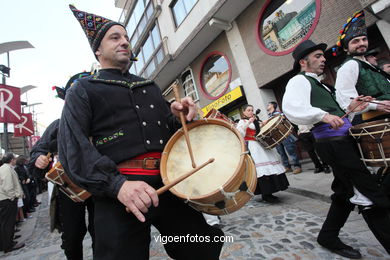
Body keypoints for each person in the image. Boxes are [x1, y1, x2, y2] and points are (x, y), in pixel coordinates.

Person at [58, 5, 223, 260]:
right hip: (120, 195)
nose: (124, 42)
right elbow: (74, 149)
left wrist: (181, 118)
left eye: (126, 37)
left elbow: (169, 132)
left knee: (199, 249)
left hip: (170, 187)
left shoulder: (150, 86)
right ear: (98, 50)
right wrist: (118, 186)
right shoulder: (82, 89)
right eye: (115, 37)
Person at [282, 39, 390, 258]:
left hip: (342, 140)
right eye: (318, 56)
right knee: (368, 194)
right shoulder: (298, 81)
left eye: (323, 56)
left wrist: (353, 107)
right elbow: (292, 108)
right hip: (332, 144)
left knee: (344, 192)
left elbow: (341, 113)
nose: (323, 59)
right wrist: (322, 115)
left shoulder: (322, 84)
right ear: (303, 62)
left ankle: (328, 236)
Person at [29, 72, 95, 260]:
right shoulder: (57, 126)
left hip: (99, 183)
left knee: (102, 230)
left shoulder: (100, 122)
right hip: (68, 187)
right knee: (72, 234)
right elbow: (38, 150)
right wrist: (39, 158)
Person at [334, 10, 390, 123]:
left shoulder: (367, 64)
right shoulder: (349, 66)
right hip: (378, 121)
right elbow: (347, 103)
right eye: (355, 41)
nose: (362, 43)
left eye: (364, 39)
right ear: (346, 48)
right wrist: (376, 105)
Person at [236, 104, 289, 203]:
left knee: (271, 166)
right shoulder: (242, 122)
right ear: (243, 112)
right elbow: (240, 133)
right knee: (261, 170)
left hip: (262, 145)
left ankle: (271, 192)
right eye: (248, 110)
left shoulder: (257, 120)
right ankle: (266, 194)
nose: (251, 112)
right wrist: (248, 123)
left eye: (252, 110)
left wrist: (263, 124)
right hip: (253, 147)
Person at [267, 102, 302, 174]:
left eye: (269, 104)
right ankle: (287, 167)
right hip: (277, 137)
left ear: (273, 106)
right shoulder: (269, 116)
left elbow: (283, 119)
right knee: (281, 153)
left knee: (291, 151)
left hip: (284, 135)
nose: (267, 106)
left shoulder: (278, 113)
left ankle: (297, 166)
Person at [0, 153, 25, 253]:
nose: (15, 160)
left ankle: (5, 243)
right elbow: (7, 186)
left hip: (6, 199)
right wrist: (13, 197)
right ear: (11, 160)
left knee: (5, 223)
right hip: (7, 199)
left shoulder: (5, 168)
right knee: (8, 223)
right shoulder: (6, 169)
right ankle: (8, 245)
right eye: (14, 159)